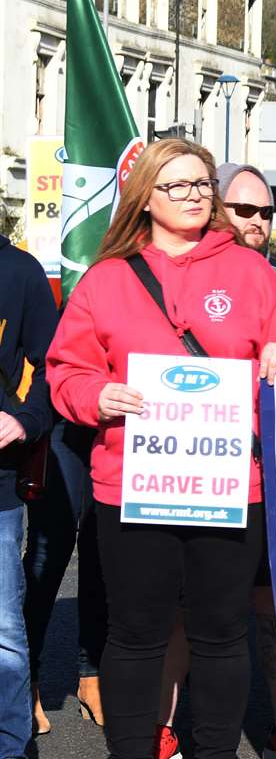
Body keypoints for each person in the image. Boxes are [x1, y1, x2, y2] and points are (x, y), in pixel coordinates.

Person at [45, 139, 276, 759]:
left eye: (201, 186)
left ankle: (214, 751)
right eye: (177, 186)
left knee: (221, 633)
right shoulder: (106, 280)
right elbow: (67, 370)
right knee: (136, 635)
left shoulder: (250, 272)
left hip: (229, 484)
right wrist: (97, 397)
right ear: (145, 199)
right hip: (135, 485)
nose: (194, 196)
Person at [147, 163, 276, 759]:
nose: (256, 221)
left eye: (266, 212)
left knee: (273, 609)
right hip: (193, 471)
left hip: (273, 477)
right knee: (181, 610)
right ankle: (161, 729)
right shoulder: (169, 276)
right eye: (243, 209)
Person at [2, 233, 59, 752]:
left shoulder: (20, 272)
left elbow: (51, 366)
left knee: (3, 636)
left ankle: (11, 746)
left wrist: (24, 421)